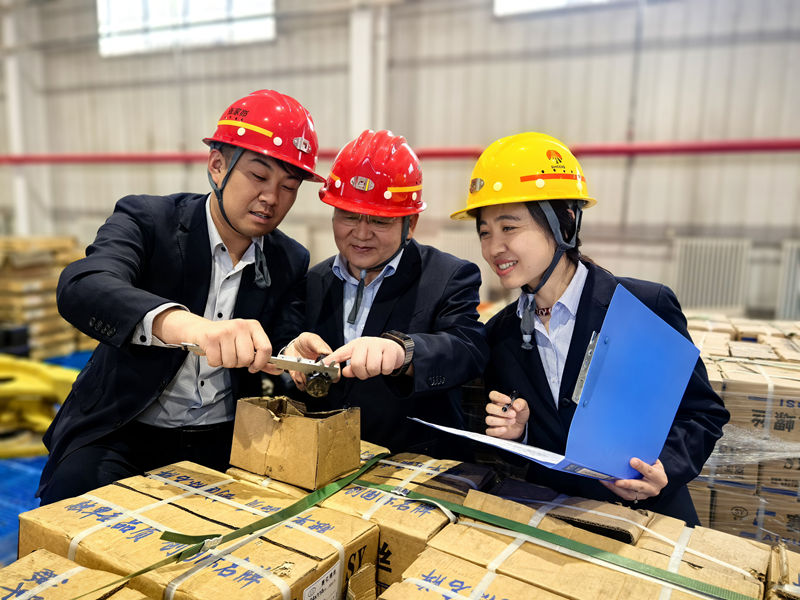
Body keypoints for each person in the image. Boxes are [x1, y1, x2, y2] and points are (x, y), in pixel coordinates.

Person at [37, 89, 324, 504]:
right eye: (258, 177)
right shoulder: (149, 220)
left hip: (225, 439)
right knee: (69, 516)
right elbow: (84, 284)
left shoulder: (289, 259)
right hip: (123, 429)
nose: (272, 198)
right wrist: (186, 326)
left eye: (289, 186)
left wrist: (291, 352)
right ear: (217, 166)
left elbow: (280, 337)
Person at [450, 132, 729, 524]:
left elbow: (702, 413)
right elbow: (537, 437)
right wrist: (519, 431)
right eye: (484, 232)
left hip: (647, 520)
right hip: (559, 521)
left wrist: (665, 467)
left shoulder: (644, 307)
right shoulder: (500, 334)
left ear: (563, 224)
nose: (494, 248)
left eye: (509, 227)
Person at [283, 129, 488, 458]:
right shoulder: (315, 280)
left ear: (411, 224)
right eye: (349, 216)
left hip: (413, 463)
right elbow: (285, 349)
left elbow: (468, 349)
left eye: (380, 221)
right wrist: (290, 356)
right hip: (329, 458)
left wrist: (402, 352)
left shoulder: (448, 276)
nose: (361, 234)